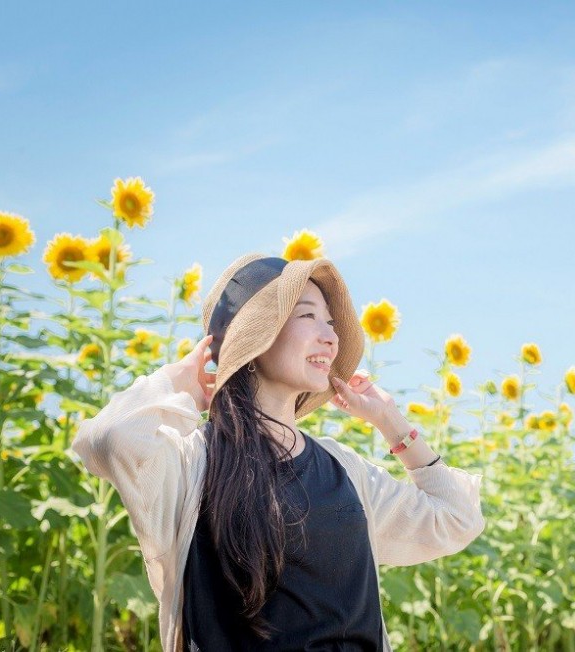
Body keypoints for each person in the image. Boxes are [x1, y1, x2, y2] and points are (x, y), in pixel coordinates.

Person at [70, 253, 486, 651]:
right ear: (255, 337)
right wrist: (186, 378)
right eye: (307, 316)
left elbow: (455, 518)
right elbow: (108, 439)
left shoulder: (343, 469)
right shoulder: (191, 464)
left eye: (330, 321)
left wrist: (390, 421)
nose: (330, 335)